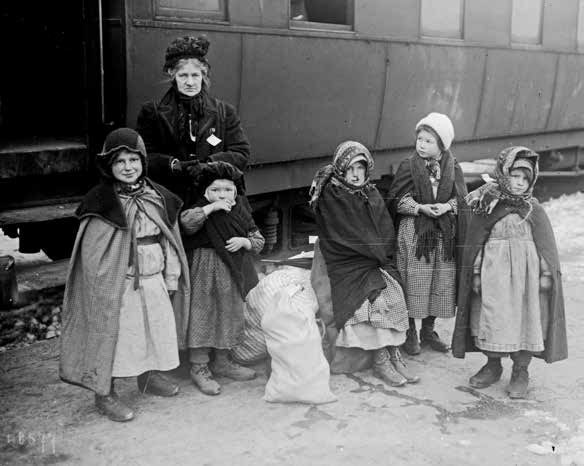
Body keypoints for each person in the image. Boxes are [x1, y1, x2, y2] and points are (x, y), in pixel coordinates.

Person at [59, 128, 190, 422]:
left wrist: (171, 277)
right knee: (118, 337)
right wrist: (105, 287)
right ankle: (105, 392)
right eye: (120, 162)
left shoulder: (157, 196)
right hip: (120, 284)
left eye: (133, 160)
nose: (128, 167)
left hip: (153, 278)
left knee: (152, 329)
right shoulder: (101, 203)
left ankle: (149, 377)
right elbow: (94, 255)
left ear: (143, 161)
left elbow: (170, 241)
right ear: (109, 166)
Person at [452, 146, 567, 399]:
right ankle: (493, 365)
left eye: (525, 178)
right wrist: (477, 273)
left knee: (525, 320)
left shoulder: (533, 208)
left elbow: (546, 247)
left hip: (527, 280)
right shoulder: (488, 204)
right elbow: (477, 243)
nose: (519, 183)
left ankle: (521, 370)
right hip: (495, 277)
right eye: (515, 176)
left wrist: (546, 274)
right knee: (493, 318)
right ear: (504, 175)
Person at [310, 141, 419, 387]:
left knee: (395, 291)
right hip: (346, 261)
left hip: (372, 258)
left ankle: (393, 353)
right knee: (373, 297)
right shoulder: (333, 195)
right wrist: (372, 253)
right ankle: (381, 359)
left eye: (360, 168)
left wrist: (380, 254)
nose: (356, 174)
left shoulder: (370, 191)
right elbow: (342, 235)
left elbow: (384, 229)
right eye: (350, 169)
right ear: (341, 170)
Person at [180, 161, 265, 395]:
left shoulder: (240, 212)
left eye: (227, 190)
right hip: (203, 271)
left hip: (230, 271)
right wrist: (211, 209)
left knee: (228, 312)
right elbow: (186, 224)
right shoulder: (199, 209)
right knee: (202, 314)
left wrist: (244, 242)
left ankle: (222, 361)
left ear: (236, 193)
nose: (221, 195)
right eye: (215, 190)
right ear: (205, 192)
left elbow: (258, 240)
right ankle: (199, 367)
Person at [388, 112, 469, 355]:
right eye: (419, 139)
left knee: (439, 281)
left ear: (442, 144)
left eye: (428, 141)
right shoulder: (408, 166)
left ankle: (428, 329)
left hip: (443, 235)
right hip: (414, 234)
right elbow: (397, 200)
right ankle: (410, 330)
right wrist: (420, 207)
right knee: (413, 280)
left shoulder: (453, 167)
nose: (421, 145)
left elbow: (462, 200)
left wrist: (446, 206)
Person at [136, 35, 250, 202]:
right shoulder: (152, 113)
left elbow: (241, 153)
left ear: (203, 75)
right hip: (169, 199)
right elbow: (143, 155)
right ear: (172, 74)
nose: (190, 82)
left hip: (213, 200)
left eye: (195, 75)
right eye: (183, 76)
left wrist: (209, 165)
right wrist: (172, 164)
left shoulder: (224, 112)